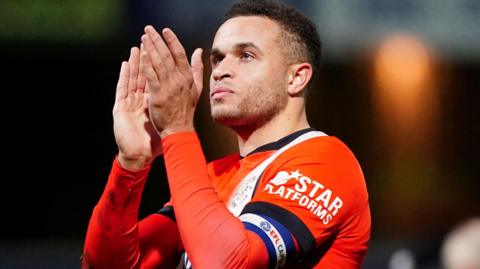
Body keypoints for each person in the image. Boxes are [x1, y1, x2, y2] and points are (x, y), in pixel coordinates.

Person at [82, 0, 371, 268]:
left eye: (245, 56)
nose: (220, 71)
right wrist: (131, 164)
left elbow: (225, 262)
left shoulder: (328, 162)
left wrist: (177, 128)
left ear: (296, 78)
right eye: (218, 59)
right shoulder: (214, 176)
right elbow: (104, 265)